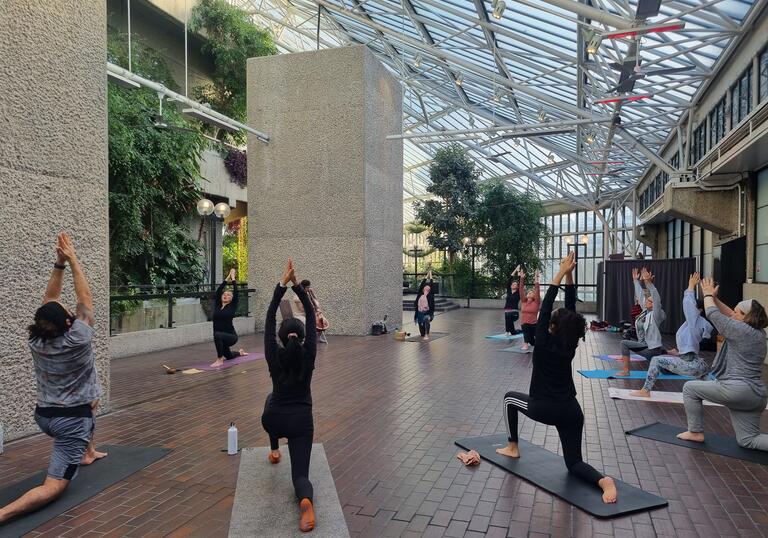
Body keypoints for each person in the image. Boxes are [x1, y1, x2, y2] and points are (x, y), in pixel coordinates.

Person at [0, 233, 106, 526]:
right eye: (70, 313)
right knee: (55, 485)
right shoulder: (79, 340)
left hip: (44, 415)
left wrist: (58, 266)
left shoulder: (37, 339)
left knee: (92, 398)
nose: (71, 310)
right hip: (70, 421)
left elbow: (50, 302)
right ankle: (3, 514)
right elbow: (86, 300)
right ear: (69, 324)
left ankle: (89, 452)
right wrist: (73, 261)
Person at [496, 251, 617, 504]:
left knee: (509, 399)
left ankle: (513, 446)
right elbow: (570, 310)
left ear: (549, 326)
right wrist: (569, 274)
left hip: (543, 408)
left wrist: (561, 273)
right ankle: (603, 481)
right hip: (571, 411)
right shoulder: (569, 343)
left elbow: (547, 303)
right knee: (574, 463)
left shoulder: (541, 343)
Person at [677, 278, 768, 449]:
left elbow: (713, 314)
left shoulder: (740, 331)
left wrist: (709, 295)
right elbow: (729, 315)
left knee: (690, 388)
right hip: (756, 396)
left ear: (747, 317)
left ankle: (695, 432)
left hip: (737, 390)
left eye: (737, 312)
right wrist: (716, 299)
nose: (733, 314)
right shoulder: (758, 333)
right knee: (748, 440)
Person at [261, 259, 318, 532]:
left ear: (282, 338)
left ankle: (274, 450)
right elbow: (310, 310)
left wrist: (282, 285)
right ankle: (305, 502)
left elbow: (270, 316)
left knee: (268, 400)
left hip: (274, 420)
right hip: (301, 424)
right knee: (300, 476)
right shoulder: (309, 355)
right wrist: (298, 286)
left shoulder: (274, 355)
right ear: (305, 336)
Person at [631, 272, 713, 397]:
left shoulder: (694, 322)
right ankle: (725, 394)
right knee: (713, 387)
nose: (647, 302)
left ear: (700, 310)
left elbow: (688, 304)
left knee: (655, 360)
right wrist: (644, 283)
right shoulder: (699, 323)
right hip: (697, 362)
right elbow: (643, 297)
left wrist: (691, 287)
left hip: (689, 363)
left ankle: (645, 390)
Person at [617, 267, 666, 376]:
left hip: (651, 349)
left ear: (655, 305)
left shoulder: (657, 314)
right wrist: (636, 281)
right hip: (644, 345)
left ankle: (626, 371)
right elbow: (640, 295)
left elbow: (655, 298)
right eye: (647, 301)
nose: (647, 302)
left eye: (650, 301)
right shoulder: (645, 310)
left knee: (624, 343)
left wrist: (648, 283)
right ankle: (667, 355)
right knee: (663, 370)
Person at [209, 269, 246, 368]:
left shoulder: (232, 306)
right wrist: (227, 278)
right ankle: (239, 352)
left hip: (231, 337)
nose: (225, 295)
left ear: (231, 299)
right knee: (229, 356)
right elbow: (218, 291)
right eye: (224, 294)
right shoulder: (218, 305)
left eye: (228, 295)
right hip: (220, 337)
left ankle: (219, 359)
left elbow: (236, 293)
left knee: (217, 335)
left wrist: (233, 279)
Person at [298, 280, 329, 344]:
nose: (309, 289)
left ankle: (318, 337)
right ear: (303, 287)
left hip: (311, 313)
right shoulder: (299, 296)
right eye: (307, 287)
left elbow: (316, 301)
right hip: (302, 314)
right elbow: (302, 309)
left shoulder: (308, 294)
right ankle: (306, 338)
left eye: (309, 287)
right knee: (312, 322)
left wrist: (312, 293)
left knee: (322, 322)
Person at [518, 269, 541, 352]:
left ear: (534, 295)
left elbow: (537, 290)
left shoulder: (536, 302)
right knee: (526, 331)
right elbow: (520, 289)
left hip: (534, 324)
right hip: (524, 323)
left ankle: (532, 343)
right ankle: (525, 344)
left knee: (533, 341)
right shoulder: (524, 301)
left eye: (531, 292)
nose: (529, 293)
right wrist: (521, 278)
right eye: (528, 292)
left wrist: (536, 278)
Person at [414, 268, 436, 341]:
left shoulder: (430, 295)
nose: (427, 289)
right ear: (423, 289)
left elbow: (432, 284)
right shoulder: (420, 293)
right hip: (420, 312)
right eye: (425, 288)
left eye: (428, 288)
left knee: (426, 320)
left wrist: (431, 275)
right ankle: (424, 333)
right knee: (421, 327)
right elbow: (422, 284)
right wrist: (427, 275)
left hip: (428, 312)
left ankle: (426, 332)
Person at [503, 265, 522, 336]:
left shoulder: (518, 293)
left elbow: (521, 283)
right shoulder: (509, 292)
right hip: (507, 310)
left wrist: (519, 272)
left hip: (514, 313)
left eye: (515, 284)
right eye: (513, 284)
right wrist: (515, 270)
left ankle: (509, 331)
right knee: (507, 318)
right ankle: (511, 331)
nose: (514, 285)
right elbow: (509, 280)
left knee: (509, 318)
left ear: (517, 287)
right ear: (511, 286)